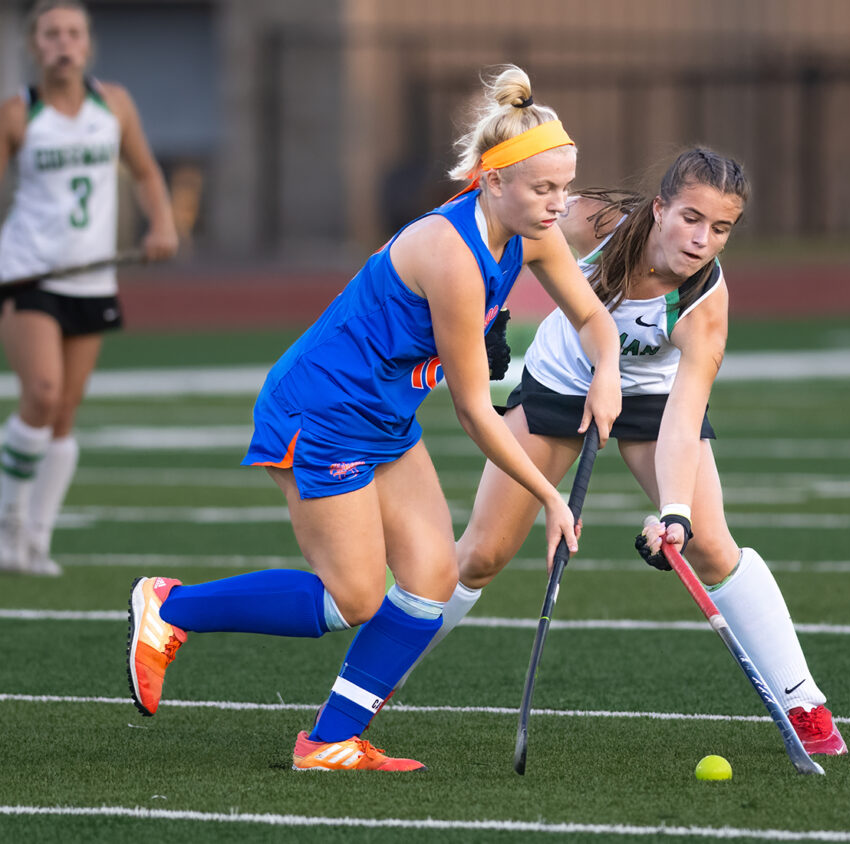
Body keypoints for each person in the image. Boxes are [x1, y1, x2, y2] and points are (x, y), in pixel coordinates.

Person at [125, 65, 622, 773]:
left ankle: (328, 740)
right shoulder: (452, 257)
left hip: (382, 416)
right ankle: (171, 608)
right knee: (353, 596)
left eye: (564, 188)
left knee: (430, 579)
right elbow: (476, 410)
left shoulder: (531, 233)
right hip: (321, 411)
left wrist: (606, 371)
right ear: (492, 181)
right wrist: (547, 497)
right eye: (543, 189)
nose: (557, 205)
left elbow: (593, 317)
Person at [403, 147, 848, 756]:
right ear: (660, 208)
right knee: (479, 556)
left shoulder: (703, 310)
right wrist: (491, 313)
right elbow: (489, 233)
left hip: (652, 404)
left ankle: (805, 706)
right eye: (691, 218)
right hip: (559, 387)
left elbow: (683, 419)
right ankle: (375, 680)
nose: (701, 240)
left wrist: (674, 514)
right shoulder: (594, 223)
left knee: (711, 543)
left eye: (720, 229)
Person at [0, 0, 178, 576]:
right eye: (51, 34)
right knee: (43, 392)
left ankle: (35, 540)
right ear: (36, 46)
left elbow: (147, 172)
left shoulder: (114, 105)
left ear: (88, 44)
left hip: (91, 277)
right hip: (30, 274)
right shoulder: (16, 114)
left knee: (65, 412)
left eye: (73, 32)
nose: (63, 43)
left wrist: (163, 222)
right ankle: (7, 523)